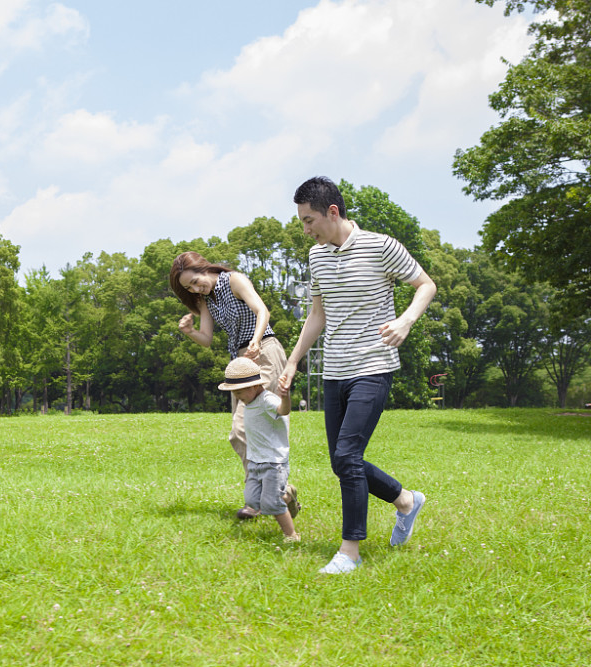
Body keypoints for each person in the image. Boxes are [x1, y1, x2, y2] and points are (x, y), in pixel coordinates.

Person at [278, 176, 437, 575]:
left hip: (373, 365)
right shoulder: (317, 257)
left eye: (309, 220)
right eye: (302, 221)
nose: (306, 229)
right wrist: (294, 360)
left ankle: (350, 550)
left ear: (333, 212)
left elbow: (425, 285)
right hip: (336, 369)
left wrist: (406, 320)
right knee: (341, 459)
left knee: (348, 455)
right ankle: (405, 501)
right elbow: (318, 315)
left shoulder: (381, 246)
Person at [170, 251, 289, 519]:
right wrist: (189, 332)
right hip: (239, 365)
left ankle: (266, 496)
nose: (195, 288)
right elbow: (207, 339)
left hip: (263, 354)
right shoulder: (205, 301)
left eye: (196, 281)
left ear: (205, 268)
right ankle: (271, 494)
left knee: (245, 430)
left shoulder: (234, 280)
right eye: (189, 288)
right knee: (242, 434)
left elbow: (262, 310)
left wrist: (256, 341)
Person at [218, 356, 300, 542]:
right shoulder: (249, 401)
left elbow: (283, 411)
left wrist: (285, 397)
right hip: (255, 461)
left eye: (239, 393)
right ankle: (287, 495)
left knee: (271, 503)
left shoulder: (266, 400)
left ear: (253, 386)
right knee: (253, 501)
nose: (237, 398)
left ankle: (292, 535)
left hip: (273, 462)